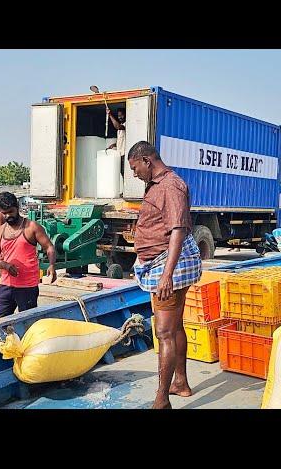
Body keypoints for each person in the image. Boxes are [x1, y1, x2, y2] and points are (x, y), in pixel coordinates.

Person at [128, 141, 202, 410]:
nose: (135, 174)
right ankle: (180, 382)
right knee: (174, 327)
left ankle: (162, 399)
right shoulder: (157, 184)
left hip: (168, 263)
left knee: (164, 332)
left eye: (136, 168)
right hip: (159, 261)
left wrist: (166, 275)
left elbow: (178, 230)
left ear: (147, 160)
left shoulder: (170, 186)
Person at [0, 192, 57, 318]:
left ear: (17, 207)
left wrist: (51, 265)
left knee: (28, 321)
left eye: (11, 211)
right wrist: (5, 265)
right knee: (0, 322)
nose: (8, 215)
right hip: (6, 285)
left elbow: (49, 247)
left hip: (27, 286)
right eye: (4, 213)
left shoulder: (32, 227)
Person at [107, 107, 126, 176]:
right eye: (118, 116)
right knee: (121, 174)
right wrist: (114, 145)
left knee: (124, 174)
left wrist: (110, 115)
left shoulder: (126, 124)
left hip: (124, 155)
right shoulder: (120, 129)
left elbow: (117, 126)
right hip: (120, 155)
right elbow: (121, 140)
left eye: (122, 115)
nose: (120, 117)